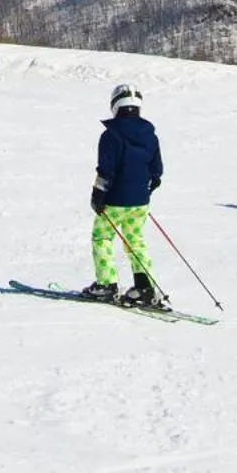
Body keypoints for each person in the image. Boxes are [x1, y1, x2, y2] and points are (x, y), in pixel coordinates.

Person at [82, 83, 167, 308]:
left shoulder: (110, 135)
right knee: (136, 240)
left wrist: (97, 194)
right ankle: (145, 288)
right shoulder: (150, 135)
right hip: (140, 202)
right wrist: (144, 188)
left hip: (114, 201)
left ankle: (106, 285)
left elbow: (106, 170)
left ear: (115, 105)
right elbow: (157, 171)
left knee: (102, 238)